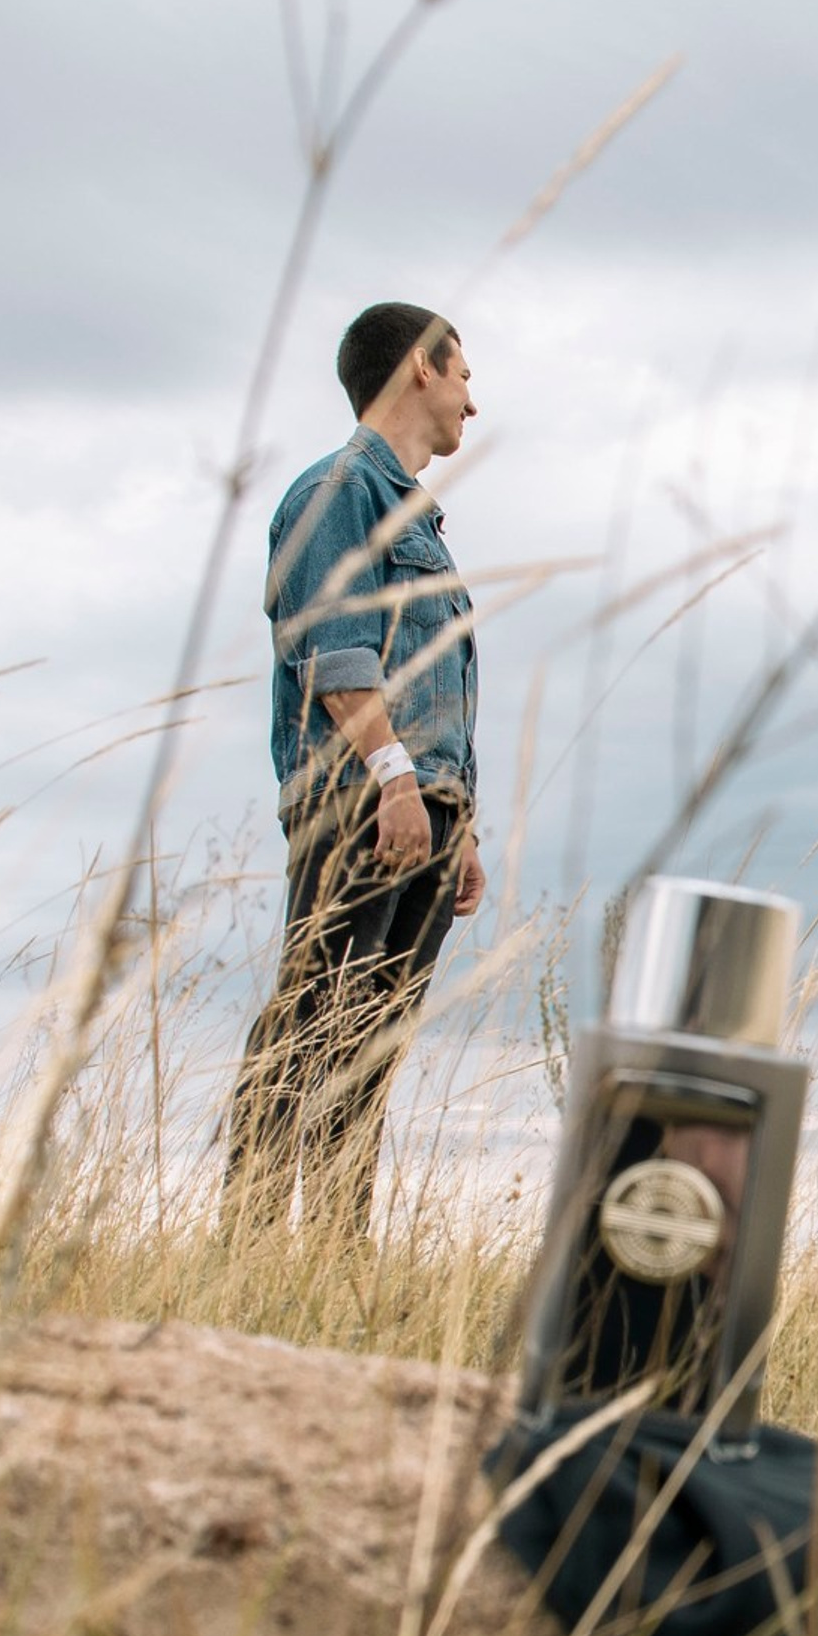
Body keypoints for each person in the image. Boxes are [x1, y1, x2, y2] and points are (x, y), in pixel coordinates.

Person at [221, 302, 486, 1235]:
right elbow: (336, 656)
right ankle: (249, 1247)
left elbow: (438, 685)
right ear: (421, 369)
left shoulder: (418, 519)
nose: (471, 402)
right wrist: (395, 777)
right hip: (362, 799)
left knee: (370, 1046)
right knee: (313, 1021)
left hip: (422, 807)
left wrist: (461, 824)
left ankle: (334, 1257)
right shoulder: (339, 492)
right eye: (462, 375)